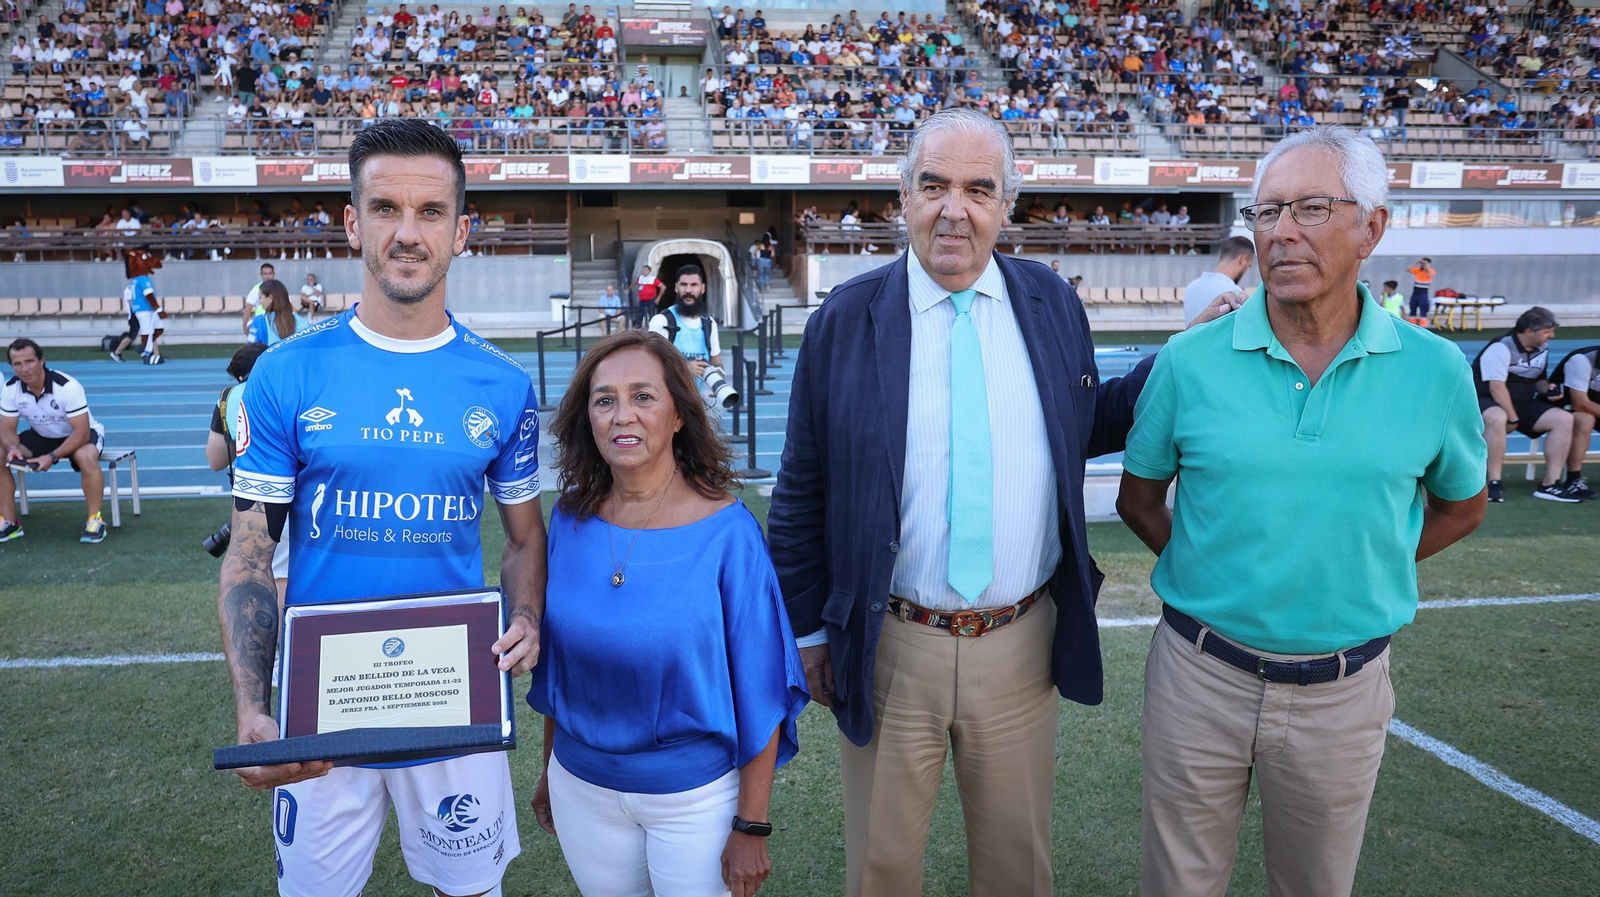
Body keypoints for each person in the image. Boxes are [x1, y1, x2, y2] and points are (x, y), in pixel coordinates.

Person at [766, 108, 1241, 897]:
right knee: (880, 872)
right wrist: (811, 631)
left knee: (1017, 872)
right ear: (902, 197)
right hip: (890, 644)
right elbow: (800, 490)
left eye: (978, 189)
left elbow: (1085, 424)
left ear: (1007, 204)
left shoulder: (1051, 302)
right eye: (935, 186)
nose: (955, 209)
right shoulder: (844, 321)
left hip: (1021, 641)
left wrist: (1185, 354)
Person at [1118, 125, 1488, 897]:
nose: (1281, 231)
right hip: (1198, 675)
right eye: (1266, 212)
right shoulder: (1189, 360)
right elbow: (1139, 497)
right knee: (1176, 884)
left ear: (1373, 227)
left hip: (1343, 691)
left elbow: (1464, 505)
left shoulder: (1436, 370)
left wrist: (1362, 563)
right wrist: (1214, 564)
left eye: (1312, 208)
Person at [217, 119, 546, 897]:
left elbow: (524, 540)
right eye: (385, 208)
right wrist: (252, 708)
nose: (407, 232)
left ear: (462, 230)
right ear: (351, 221)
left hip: (456, 697)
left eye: (431, 211)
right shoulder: (283, 374)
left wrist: (527, 616)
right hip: (321, 703)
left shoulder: (502, 386)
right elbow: (250, 553)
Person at [526, 330, 808, 897]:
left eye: (644, 396)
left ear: (679, 413)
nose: (622, 415)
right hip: (581, 787)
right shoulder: (570, 520)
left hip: (695, 801)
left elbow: (762, 688)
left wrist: (751, 825)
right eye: (604, 400)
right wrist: (549, 768)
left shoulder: (728, 533)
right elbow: (559, 668)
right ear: (587, 418)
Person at [1, 339, 111, 544]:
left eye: (29, 361)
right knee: (0, 453)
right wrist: (13, 448)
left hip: (80, 434)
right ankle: (9, 522)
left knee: (85, 456)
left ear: (42, 360)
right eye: (17, 364)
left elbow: (82, 433)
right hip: (42, 435)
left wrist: (52, 457)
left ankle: (95, 521)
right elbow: (6, 429)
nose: (24, 369)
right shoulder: (10, 389)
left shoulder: (67, 386)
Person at [205, 343, 289, 596]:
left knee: (258, 571)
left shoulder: (229, 397)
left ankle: (280, 635)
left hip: (252, 497)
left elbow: (216, 460)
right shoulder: (287, 388)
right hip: (298, 490)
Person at [1473, 307, 1577, 503]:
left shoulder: (1542, 349)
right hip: (1488, 401)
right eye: (1547, 331)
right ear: (1529, 330)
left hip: (1522, 402)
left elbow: (1539, 380)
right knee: (1498, 417)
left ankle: (1549, 484)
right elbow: (1496, 388)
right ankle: (1493, 483)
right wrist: (1513, 417)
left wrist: (1549, 389)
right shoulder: (1500, 348)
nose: (1551, 336)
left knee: (1564, 419)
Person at [647, 264, 726, 417]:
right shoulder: (662, 321)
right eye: (684, 285)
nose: (688, 290)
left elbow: (716, 360)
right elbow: (650, 365)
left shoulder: (708, 323)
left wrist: (717, 382)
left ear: (702, 288)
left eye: (693, 285)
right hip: (665, 405)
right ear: (676, 288)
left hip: (696, 404)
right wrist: (685, 369)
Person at [1551, 343, 1599, 499]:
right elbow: (1580, 403)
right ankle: (1573, 479)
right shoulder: (1582, 360)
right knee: (1584, 420)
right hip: (1573, 409)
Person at [1181, 235, 1255, 325]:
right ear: (1243, 260)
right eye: (1249, 266)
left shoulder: (1191, 287)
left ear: (1220, 257)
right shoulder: (1234, 295)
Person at [112, 245, 164, 363]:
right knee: (134, 335)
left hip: (138, 312)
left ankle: (154, 353)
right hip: (137, 313)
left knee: (151, 331)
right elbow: (133, 302)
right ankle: (119, 352)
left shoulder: (134, 284)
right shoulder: (136, 285)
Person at [246, 279, 311, 345]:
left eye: (260, 298)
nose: (260, 302)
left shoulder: (259, 322)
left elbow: (251, 352)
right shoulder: (303, 323)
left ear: (270, 298)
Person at [241, 262, 277, 334]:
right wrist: (244, 326)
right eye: (265, 274)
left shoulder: (279, 288)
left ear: (274, 274)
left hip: (277, 323)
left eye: (270, 273)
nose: (267, 276)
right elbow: (248, 308)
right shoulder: (256, 289)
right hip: (261, 324)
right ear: (261, 275)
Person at [1406, 257, 1435, 326]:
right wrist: (1416, 263)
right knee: (1412, 309)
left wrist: (1427, 267)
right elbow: (1407, 269)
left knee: (1423, 310)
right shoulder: (1418, 270)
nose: (1423, 265)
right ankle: (1412, 325)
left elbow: (1431, 276)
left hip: (1423, 294)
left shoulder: (1431, 271)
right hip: (1415, 293)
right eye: (1422, 263)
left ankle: (1423, 326)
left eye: (1425, 263)